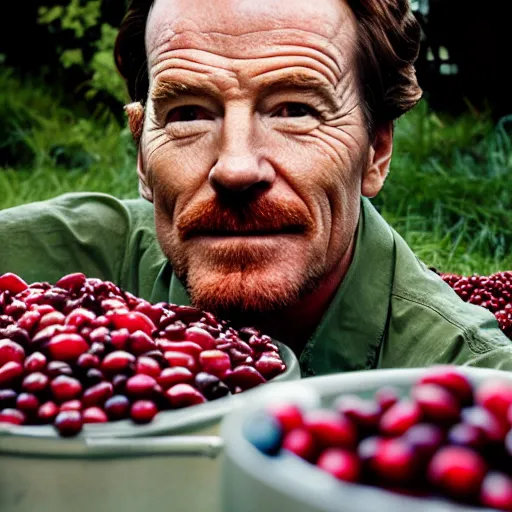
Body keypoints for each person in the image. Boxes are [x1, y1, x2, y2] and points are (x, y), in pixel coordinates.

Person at [1, 0, 511, 376]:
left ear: (375, 152)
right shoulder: (65, 266)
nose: (236, 168)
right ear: (141, 158)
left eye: (294, 110)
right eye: (189, 115)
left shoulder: (469, 381)